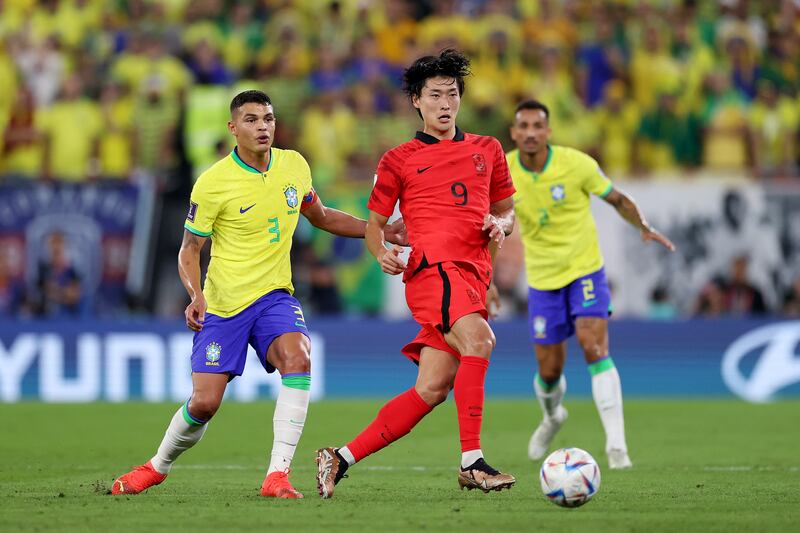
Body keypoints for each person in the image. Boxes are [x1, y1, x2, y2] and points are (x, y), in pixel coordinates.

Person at [111, 90, 406, 499]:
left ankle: (277, 476)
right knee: (204, 404)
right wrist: (195, 294)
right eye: (251, 120)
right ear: (233, 128)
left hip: (274, 296)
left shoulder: (294, 165)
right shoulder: (213, 183)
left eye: (268, 118)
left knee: (298, 355)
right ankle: (156, 466)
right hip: (224, 305)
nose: (262, 126)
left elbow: (320, 216)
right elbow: (189, 249)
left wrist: (379, 230)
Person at [316, 49, 517, 499]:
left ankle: (339, 457)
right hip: (433, 271)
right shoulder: (398, 159)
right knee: (480, 341)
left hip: (471, 275)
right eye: (435, 95)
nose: (445, 104)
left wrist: (499, 227)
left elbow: (506, 212)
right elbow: (374, 225)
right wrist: (380, 251)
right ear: (416, 101)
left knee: (431, 388)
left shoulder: (489, 149)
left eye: (452, 94)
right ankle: (472, 463)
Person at [499, 100, 675, 470]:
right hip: (543, 281)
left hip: (584, 271)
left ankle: (616, 446)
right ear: (514, 133)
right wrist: (486, 279)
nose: (531, 132)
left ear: (548, 132)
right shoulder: (504, 171)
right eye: (523, 126)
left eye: (537, 126)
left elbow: (617, 199)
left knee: (593, 345)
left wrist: (642, 226)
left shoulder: (576, 164)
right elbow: (491, 224)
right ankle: (552, 417)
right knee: (549, 372)